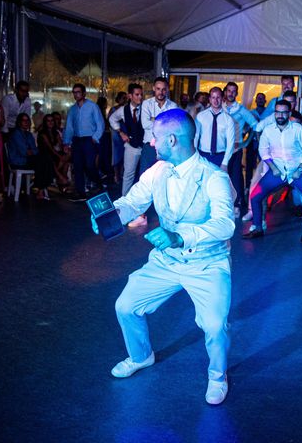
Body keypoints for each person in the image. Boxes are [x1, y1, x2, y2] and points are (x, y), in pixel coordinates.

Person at [99, 108, 234, 405]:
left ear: (171, 140)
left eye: (154, 137)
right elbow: (132, 202)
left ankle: (217, 376)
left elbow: (226, 224)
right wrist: (110, 216)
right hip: (167, 261)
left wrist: (180, 236)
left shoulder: (214, 177)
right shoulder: (157, 171)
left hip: (206, 264)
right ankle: (141, 356)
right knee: (125, 306)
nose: (150, 142)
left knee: (213, 325)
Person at [243, 99, 302, 249]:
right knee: (255, 196)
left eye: (284, 112)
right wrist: (272, 166)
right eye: (277, 112)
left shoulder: (297, 128)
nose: (280, 115)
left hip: (298, 172)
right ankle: (258, 228)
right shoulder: (268, 130)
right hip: (277, 171)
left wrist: (299, 169)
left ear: (289, 113)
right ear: (274, 113)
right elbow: (263, 150)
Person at [62, 83, 104, 202]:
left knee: (90, 165)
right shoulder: (72, 109)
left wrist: (95, 138)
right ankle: (81, 193)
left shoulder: (92, 106)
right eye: (74, 92)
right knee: (78, 167)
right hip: (77, 140)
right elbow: (69, 127)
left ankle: (98, 184)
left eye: (78, 92)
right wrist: (67, 142)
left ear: (84, 93)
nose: (76, 94)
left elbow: (100, 123)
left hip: (89, 139)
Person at [223, 82, 257, 217]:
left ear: (236, 94)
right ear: (225, 92)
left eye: (233, 91)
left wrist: (245, 142)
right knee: (223, 177)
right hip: (221, 148)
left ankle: (237, 205)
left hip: (236, 148)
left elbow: (255, 125)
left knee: (236, 177)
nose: (231, 93)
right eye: (229, 91)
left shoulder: (241, 110)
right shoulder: (220, 107)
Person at [109, 83, 144, 197]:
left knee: (145, 175)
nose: (140, 97)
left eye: (141, 94)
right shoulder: (123, 110)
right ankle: (125, 201)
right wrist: (121, 132)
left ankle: (142, 202)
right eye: (137, 94)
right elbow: (112, 119)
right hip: (131, 146)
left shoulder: (146, 107)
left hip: (145, 145)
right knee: (128, 175)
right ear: (130, 96)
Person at [8, 113, 54, 200]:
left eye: (27, 120)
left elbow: (35, 150)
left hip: (28, 159)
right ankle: (41, 189)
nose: (26, 122)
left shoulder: (28, 135)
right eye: (23, 120)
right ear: (19, 122)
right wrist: (31, 151)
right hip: (18, 161)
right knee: (42, 161)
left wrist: (31, 151)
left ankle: (40, 190)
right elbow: (24, 152)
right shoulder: (16, 134)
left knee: (46, 158)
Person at [194, 87, 236, 170]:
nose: (215, 100)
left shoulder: (228, 119)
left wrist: (225, 163)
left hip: (220, 157)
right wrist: (195, 157)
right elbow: (195, 137)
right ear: (209, 99)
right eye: (213, 97)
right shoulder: (200, 116)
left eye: (218, 97)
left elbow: (230, 143)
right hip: (202, 156)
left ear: (222, 98)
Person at [37, 114, 70, 189]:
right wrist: (60, 156)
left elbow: (61, 143)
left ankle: (61, 179)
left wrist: (65, 149)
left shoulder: (56, 132)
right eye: (48, 121)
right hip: (44, 155)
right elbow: (50, 148)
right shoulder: (42, 133)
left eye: (52, 120)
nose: (50, 122)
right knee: (52, 158)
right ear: (45, 122)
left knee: (67, 159)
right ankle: (60, 178)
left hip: (53, 154)